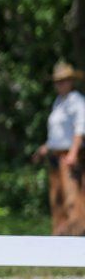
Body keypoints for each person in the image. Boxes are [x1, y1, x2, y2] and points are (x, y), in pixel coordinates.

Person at [32, 61, 85, 234]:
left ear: (71, 81)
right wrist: (45, 148)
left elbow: (80, 129)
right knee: (57, 200)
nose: (60, 84)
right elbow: (58, 135)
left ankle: (77, 240)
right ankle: (60, 242)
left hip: (68, 156)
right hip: (55, 157)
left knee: (72, 200)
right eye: (57, 81)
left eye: (64, 80)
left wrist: (73, 154)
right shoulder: (58, 102)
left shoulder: (76, 101)